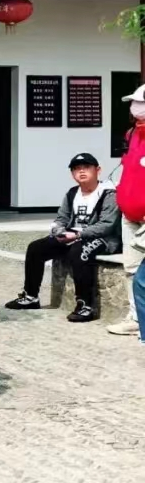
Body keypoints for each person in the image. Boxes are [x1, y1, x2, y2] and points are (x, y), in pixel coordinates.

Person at [5, 153, 120, 322]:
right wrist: (58, 232)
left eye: (86, 167)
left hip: (103, 238)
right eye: (76, 169)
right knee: (36, 248)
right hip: (73, 235)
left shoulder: (109, 194)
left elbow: (107, 225)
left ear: (98, 170)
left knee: (79, 252)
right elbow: (61, 218)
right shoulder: (72, 193)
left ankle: (85, 305)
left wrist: (78, 234)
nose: (81, 172)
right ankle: (31, 296)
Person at [112, 84, 145, 336]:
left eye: (140, 103)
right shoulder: (131, 133)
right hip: (129, 213)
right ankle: (135, 317)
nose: (135, 108)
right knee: (131, 268)